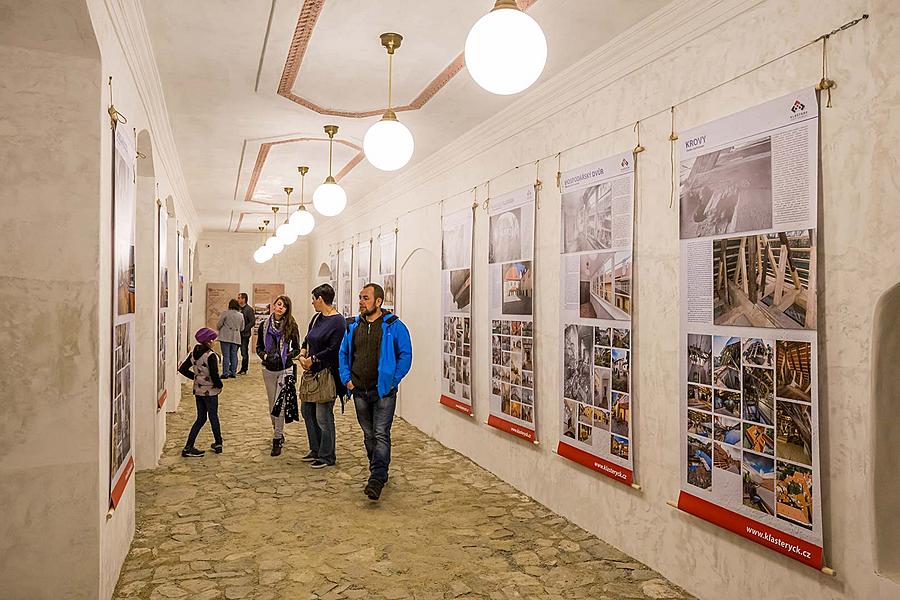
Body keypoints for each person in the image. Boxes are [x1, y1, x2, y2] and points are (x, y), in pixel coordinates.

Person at [339, 283, 412, 500]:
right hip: (359, 390)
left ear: (378, 302)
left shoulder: (394, 326)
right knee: (369, 434)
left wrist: (392, 380)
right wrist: (347, 380)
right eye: (360, 298)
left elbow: (405, 355)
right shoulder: (352, 326)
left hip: (383, 392)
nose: (361, 302)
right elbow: (343, 354)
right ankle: (377, 467)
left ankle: (377, 477)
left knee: (381, 433)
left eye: (365, 298)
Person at [296, 284, 346, 469]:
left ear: (321, 299)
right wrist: (302, 353)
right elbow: (308, 338)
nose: (312, 302)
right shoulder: (317, 318)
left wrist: (313, 359)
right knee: (307, 411)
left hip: (327, 374)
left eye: (313, 298)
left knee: (323, 416)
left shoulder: (338, 322)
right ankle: (315, 449)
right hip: (311, 373)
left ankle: (327, 455)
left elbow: (335, 349)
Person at [257, 295, 301, 456]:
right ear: (274, 306)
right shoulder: (264, 325)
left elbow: (297, 348)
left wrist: (287, 355)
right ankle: (278, 432)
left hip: (285, 369)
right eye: (279, 304)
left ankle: (276, 439)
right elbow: (259, 347)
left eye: (284, 306)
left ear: (287, 310)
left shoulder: (291, 326)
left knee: (280, 405)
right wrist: (266, 356)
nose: (281, 307)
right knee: (271, 406)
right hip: (268, 369)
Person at [178, 327, 224, 457]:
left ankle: (189, 446)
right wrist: (219, 384)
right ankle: (218, 443)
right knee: (213, 416)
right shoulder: (211, 356)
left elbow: (182, 369)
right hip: (210, 391)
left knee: (201, 418)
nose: (214, 342)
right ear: (209, 341)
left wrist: (196, 378)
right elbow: (214, 374)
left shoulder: (194, 353)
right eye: (213, 339)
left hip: (198, 390)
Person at [217, 299, 244, 378]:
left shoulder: (225, 313)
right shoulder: (240, 315)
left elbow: (219, 325)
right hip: (236, 338)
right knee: (234, 355)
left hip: (225, 337)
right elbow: (242, 328)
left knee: (226, 356)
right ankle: (233, 373)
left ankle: (225, 373)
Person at [237, 292, 255, 375]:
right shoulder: (237, 309)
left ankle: (244, 369)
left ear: (244, 299)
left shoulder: (249, 309)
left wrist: (244, 329)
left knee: (244, 352)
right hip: (236, 335)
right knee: (234, 352)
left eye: (239, 298)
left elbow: (252, 322)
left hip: (244, 335)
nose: (238, 299)